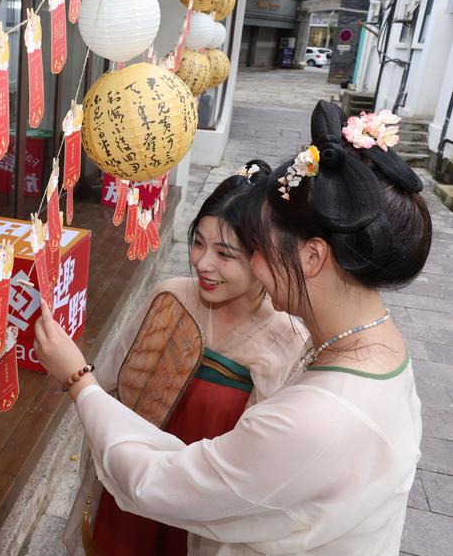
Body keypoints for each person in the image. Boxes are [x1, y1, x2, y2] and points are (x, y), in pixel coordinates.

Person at [38, 100, 431, 555]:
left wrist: (76, 380)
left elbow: (158, 483)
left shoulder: (319, 418)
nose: (252, 262)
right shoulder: (381, 352)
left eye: (257, 247)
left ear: (312, 257)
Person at [84, 160, 308, 556]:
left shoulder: (286, 342)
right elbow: (111, 385)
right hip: (133, 491)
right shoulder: (170, 297)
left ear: (263, 259)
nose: (203, 263)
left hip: (206, 517)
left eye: (224, 253)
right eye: (198, 242)